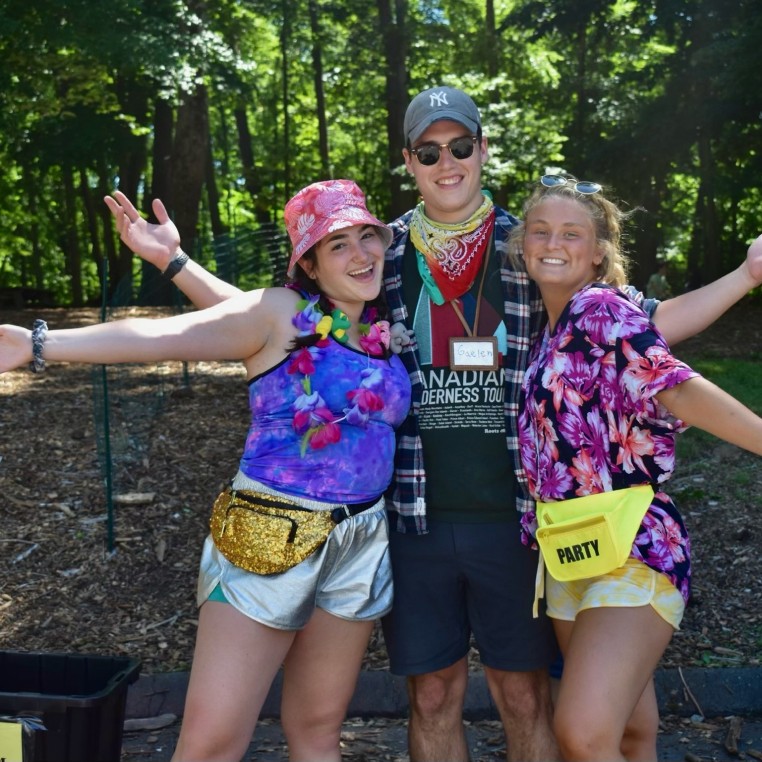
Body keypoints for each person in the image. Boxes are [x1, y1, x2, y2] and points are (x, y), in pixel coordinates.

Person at [117, 87, 762, 762]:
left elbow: (645, 328)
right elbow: (276, 321)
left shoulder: (531, 244)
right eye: (429, 152)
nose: (446, 162)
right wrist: (175, 264)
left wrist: (744, 277)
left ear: (482, 150)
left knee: (524, 695)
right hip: (413, 515)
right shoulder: (376, 252)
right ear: (409, 161)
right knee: (431, 696)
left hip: (521, 517)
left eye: (460, 146)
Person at [0, 179, 412, 762]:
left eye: (367, 236)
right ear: (310, 265)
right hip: (272, 533)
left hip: (360, 541)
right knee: (212, 745)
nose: (361, 254)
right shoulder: (280, 313)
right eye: (338, 244)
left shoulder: (370, 330)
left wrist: (175, 261)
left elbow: (230, 307)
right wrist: (40, 343)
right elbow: (167, 336)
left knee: (320, 727)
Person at [508, 175, 762, 762]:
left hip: (632, 546)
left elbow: (674, 386)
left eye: (571, 233)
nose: (553, 243)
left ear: (598, 252)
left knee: (582, 732)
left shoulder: (598, 309)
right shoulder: (553, 330)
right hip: (570, 553)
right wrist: (746, 274)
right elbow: (660, 328)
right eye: (540, 230)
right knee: (627, 735)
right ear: (523, 245)